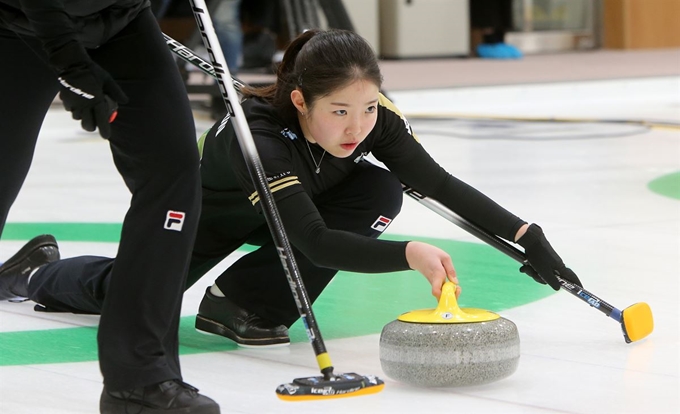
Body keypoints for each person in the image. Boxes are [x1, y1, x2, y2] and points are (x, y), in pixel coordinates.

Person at [1, 29, 580, 355]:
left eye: (370, 107)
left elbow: (439, 184)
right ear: (301, 101)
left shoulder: (375, 123)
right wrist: (408, 253)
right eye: (340, 112)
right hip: (218, 213)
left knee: (378, 189)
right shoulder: (259, 138)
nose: (358, 128)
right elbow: (314, 240)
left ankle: (245, 303)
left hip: (304, 202)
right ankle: (31, 272)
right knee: (122, 294)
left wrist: (527, 234)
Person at [0, 1, 219, 413]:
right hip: (15, 22)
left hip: (121, 21)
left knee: (172, 171)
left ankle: (140, 380)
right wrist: (69, 62)